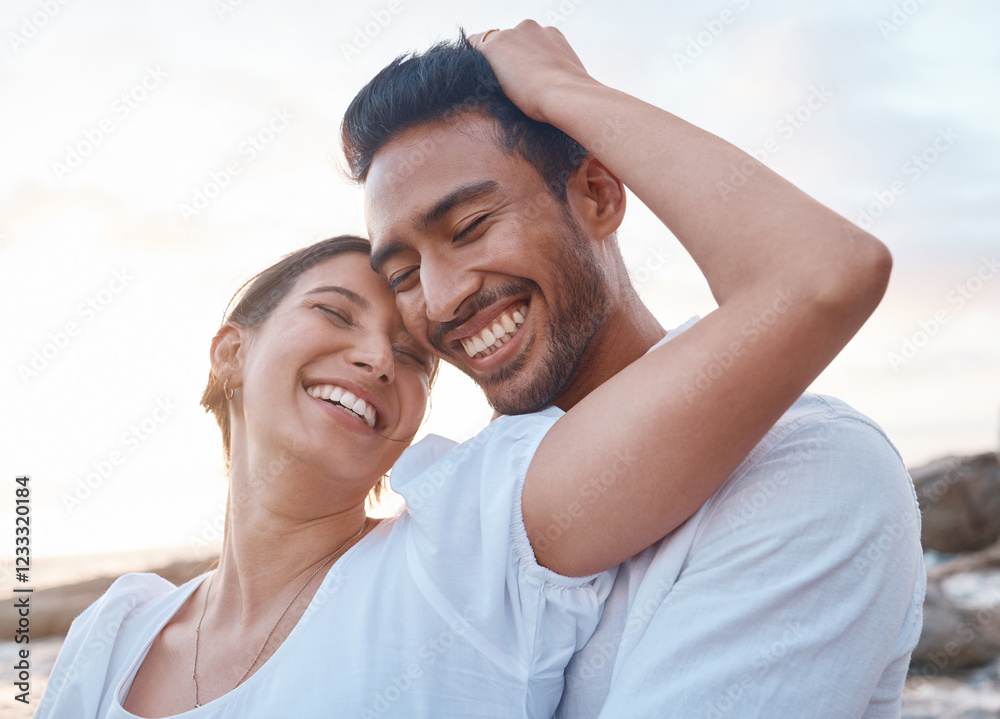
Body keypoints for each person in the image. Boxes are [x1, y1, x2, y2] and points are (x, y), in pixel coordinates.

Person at [38, 155, 882, 719]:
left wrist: (566, 96)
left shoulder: (465, 541)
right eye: (335, 314)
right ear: (230, 351)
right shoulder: (114, 630)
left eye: (413, 355)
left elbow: (817, 276)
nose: (376, 357)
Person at [342, 21, 924, 718]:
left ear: (597, 195)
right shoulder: (466, 520)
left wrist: (566, 91)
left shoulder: (808, 464)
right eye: (403, 273)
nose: (442, 297)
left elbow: (823, 275)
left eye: (470, 227)